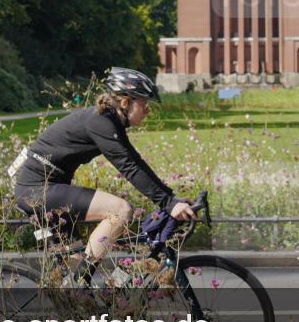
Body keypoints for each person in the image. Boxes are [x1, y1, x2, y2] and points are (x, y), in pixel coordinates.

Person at [13, 67, 195, 275]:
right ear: (125, 103)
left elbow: (135, 162)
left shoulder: (108, 121)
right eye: (144, 104)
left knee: (68, 277)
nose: (147, 111)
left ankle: (77, 291)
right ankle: (83, 280)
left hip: (46, 189)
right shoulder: (100, 122)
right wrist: (168, 203)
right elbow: (129, 167)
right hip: (37, 190)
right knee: (120, 210)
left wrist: (170, 199)